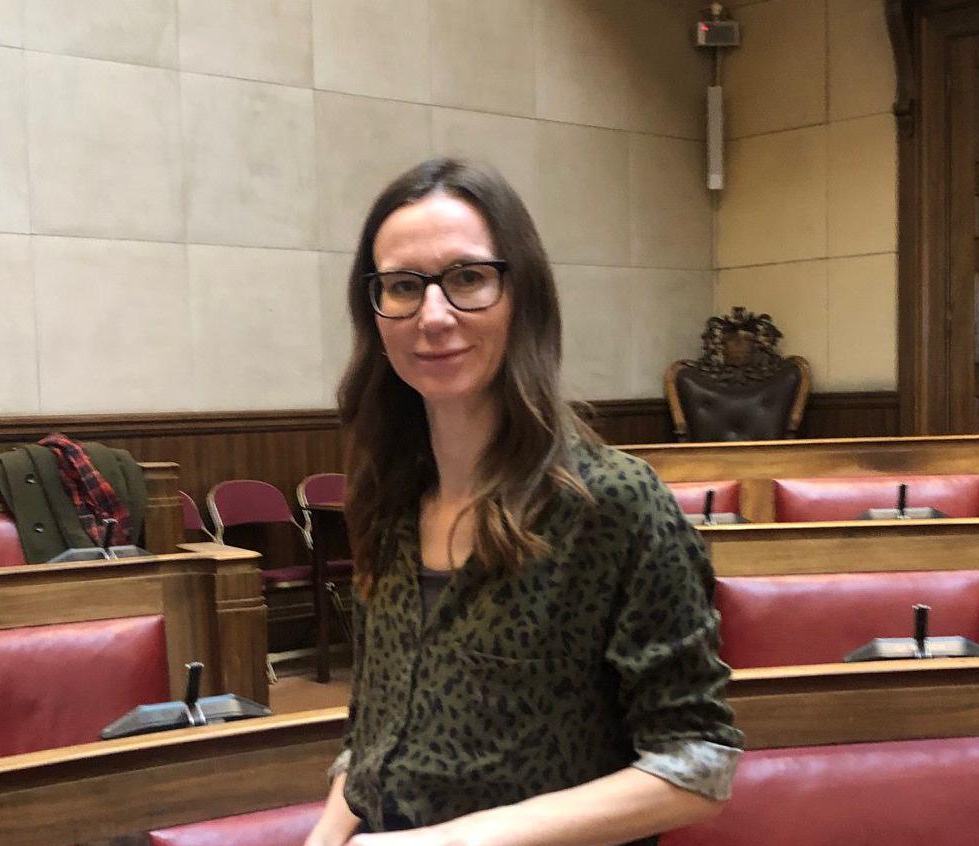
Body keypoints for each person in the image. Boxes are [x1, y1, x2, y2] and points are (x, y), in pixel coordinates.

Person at [305, 158, 742, 846]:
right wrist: (328, 835)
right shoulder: (386, 501)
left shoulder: (617, 504)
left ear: (524, 295)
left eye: (468, 278)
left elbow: (698, 764)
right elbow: (375, 732)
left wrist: (449, 843)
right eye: (402, 287)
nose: (434, 314)